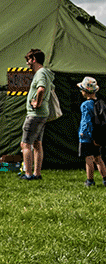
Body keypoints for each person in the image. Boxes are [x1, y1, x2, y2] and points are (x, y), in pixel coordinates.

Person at [20, 49, 53, 181]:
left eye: (28, 60)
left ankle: (28, 174)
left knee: (25, 144)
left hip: (35, 114)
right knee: (37, 144)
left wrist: (37, 103)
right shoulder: (45, 73)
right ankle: (37, 173)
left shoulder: (40, 73)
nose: (27, 63)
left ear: (34, 59)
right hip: (42, 115)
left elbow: (41, 89)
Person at [77, 76, 106, 187]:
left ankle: (90, 180)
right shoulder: (99, 103)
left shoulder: (85, 105)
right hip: (97, 135)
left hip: (87, 136)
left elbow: (86, 122)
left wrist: (83, 134)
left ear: (85, 91)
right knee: (98, 158)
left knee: (89, 158)